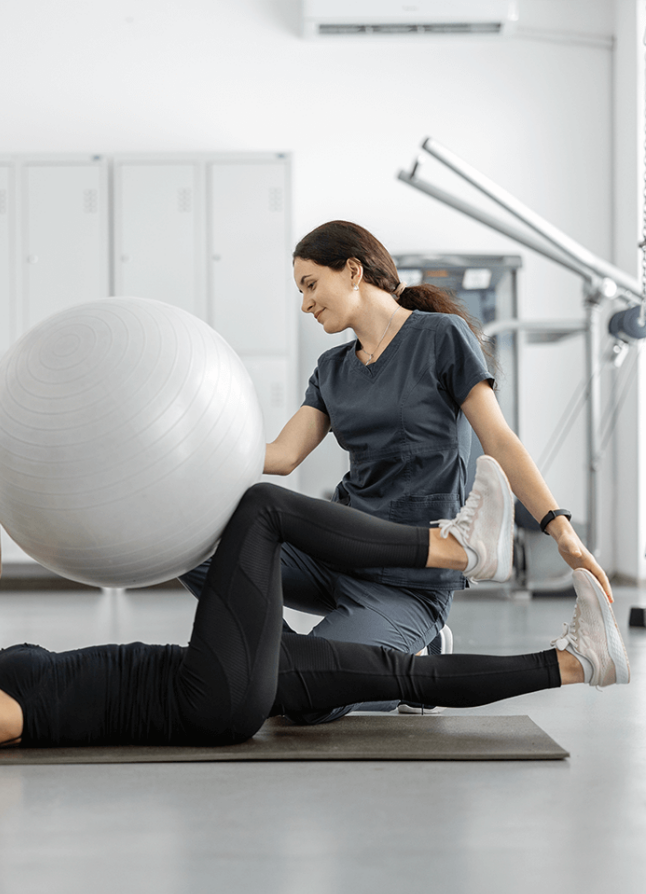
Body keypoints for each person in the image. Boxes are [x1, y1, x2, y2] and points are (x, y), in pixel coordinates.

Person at [0, 454, 629, 758]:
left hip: (223, 690)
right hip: (204, 692)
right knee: (262, 512)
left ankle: (577, 662)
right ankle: (458, 550)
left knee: (394, 675)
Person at [180, 220, 613, 723]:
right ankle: (292, 662)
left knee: (301, 703)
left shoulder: (440, 338)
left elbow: (500, 440)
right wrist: (197, 450)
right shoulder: (331, 368)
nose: (305, 303)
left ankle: (403, 656)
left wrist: (561, 530)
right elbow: (281, 454)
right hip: (335, 553)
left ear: (353, 271)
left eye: (310, 285)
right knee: (194, 550)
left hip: (408, 580)